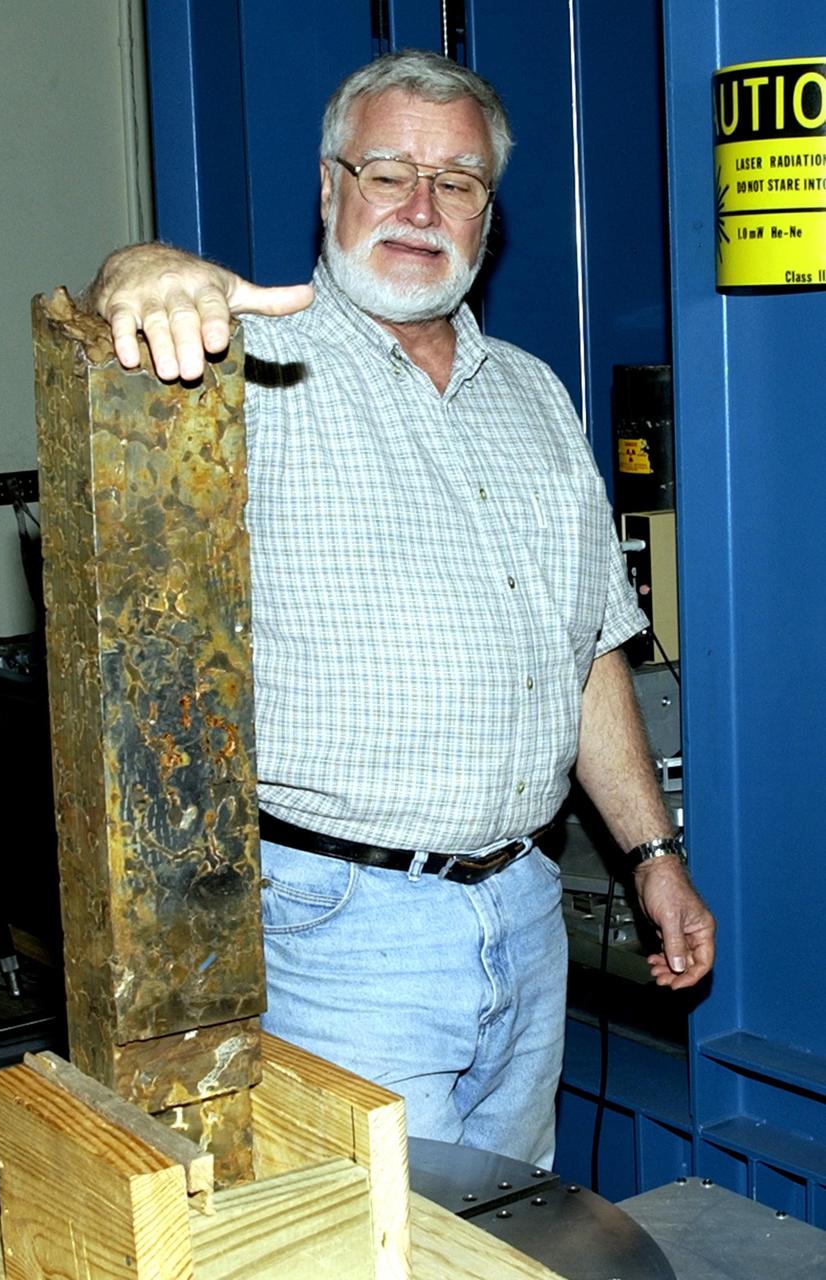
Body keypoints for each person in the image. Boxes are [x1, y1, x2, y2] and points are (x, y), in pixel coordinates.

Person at [85, 50, 715, 1170]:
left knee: (502, 1227)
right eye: (388, 172)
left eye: (458, 182)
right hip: (337, 931)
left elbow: (584, 660)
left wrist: (653, 853)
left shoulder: (531, 395)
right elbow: (113, 330)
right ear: (330, 188)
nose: (422, 208)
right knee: (360, 1244)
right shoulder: (239, 372)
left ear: (488, 214)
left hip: (523, 914)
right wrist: (135, 270)